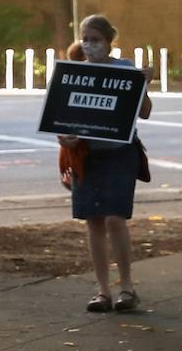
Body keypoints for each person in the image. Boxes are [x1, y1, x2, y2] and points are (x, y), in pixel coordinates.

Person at [58, 17, 153, 312]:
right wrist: (66, 140)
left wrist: (142, 84)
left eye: (95, 38)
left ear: (109, 40)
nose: (89, 44)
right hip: (87, 156)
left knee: (114, 218)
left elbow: (146, 112)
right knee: (93, 221)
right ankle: (102, 291)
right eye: (85, 38)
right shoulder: (73, 74)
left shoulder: (125, 70)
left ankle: (126, 286)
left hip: (119, 153)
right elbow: (61, 119)